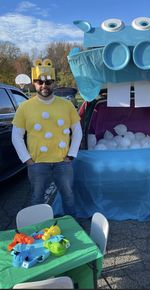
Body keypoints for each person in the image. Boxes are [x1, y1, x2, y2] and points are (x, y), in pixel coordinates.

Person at [12, 59, 83, 217]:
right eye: (39, 82)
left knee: (68, 196)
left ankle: (72, 226)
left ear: (54, 83)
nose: (44, 85)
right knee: (37, 198)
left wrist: (71, 154)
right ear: (34, 83)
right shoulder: (25, 107)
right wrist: (27, 159)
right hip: (37, 163)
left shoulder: (67, 105)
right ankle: (38, 229)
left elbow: (77, 131)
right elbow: (16, 136)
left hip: (62, 162)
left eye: (48, 81)